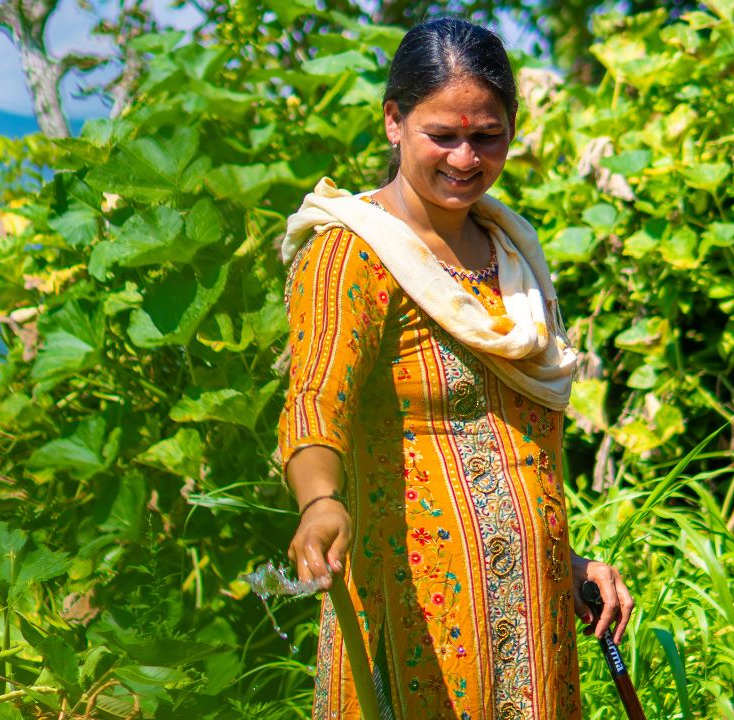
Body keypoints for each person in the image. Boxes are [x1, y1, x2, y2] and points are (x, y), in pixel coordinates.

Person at [276, 18, 634, 720]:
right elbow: (317, 397)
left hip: (532, 618)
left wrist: (566, 563)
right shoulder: (354, 254)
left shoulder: (514, 257)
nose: (465, 159)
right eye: (442, 135)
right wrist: (319, 501)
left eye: (487, 136)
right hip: (421, 619)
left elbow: (513, 446)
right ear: (394, 121)